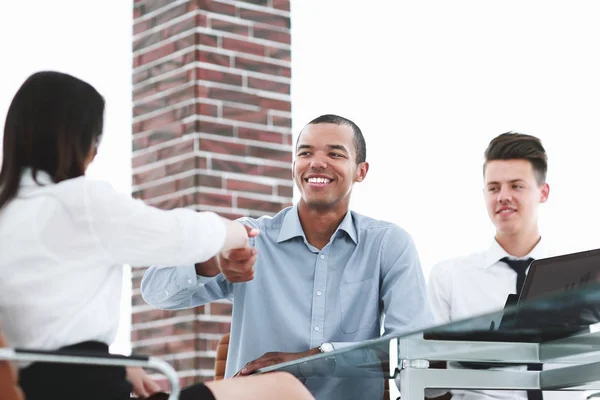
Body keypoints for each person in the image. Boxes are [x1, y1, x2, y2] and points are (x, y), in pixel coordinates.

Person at [0, 71, 314, 400]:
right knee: (283, 389)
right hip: (86, 389)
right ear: (79, 140)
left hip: (36, 387)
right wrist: (240, 233)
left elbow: (41, 332)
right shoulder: (80, 203)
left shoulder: (8, 211)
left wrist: (115, 364)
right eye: (95, 139)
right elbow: (181, 234)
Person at [141, 114, 433, 399]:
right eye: (305, 153)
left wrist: (312, 358)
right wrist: (211, 261)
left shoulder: (387, 244)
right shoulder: (250, 238)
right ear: (294, 166)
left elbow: (408, 348)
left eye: (335, 154)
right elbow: (155, 292)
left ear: (361, 171)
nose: (317, 162)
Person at [427, 132, 575, 400]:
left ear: (544, 192)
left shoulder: (576, 276)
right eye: (494, 188)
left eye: (516, 186)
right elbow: (427, 378)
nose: (503, 196)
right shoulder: (450, 277)